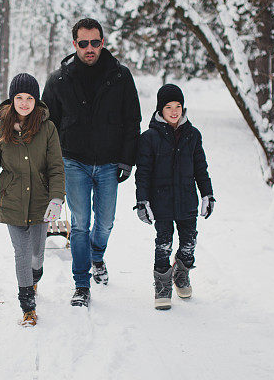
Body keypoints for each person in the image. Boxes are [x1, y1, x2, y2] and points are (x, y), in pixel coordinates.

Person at [42, 18, 141, 307]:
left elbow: (131, 120)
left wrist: (126, 160)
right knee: (81, 223)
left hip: (110, 162)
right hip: (73, 162)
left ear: (102, 42)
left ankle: (97, 255)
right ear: (74, 44)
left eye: (94, 43)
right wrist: (52, 164)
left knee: (106, 221)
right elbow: (48, 126)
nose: (89, 48)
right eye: (83, 43)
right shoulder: (59, 79)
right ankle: (81, 283)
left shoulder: (120, 76)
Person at [0, 73, 65, 326]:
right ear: (11, 100)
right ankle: (27, 307)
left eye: (29, 98)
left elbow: (56, 167)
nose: (24, 103)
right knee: (21, 254)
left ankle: (35, 277)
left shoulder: (48, 128)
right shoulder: (2, 128)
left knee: (36, 255)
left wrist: (57, 198)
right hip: (12, 200)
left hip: (41, 202)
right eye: (19, 98)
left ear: (37, 100)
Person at [134, 84, 215, 310]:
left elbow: (201, 168)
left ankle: (181, 272)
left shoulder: (193, 135)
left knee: (189, 243)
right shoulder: (149, 138)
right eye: (168, 107)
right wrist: (142, 201)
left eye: (178, 106)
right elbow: (143, 173)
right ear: (160, 109)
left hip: (187, 200)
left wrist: (207, 194)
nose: (174, 111)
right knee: (164, 244)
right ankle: (162, 285)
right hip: (161, 202)